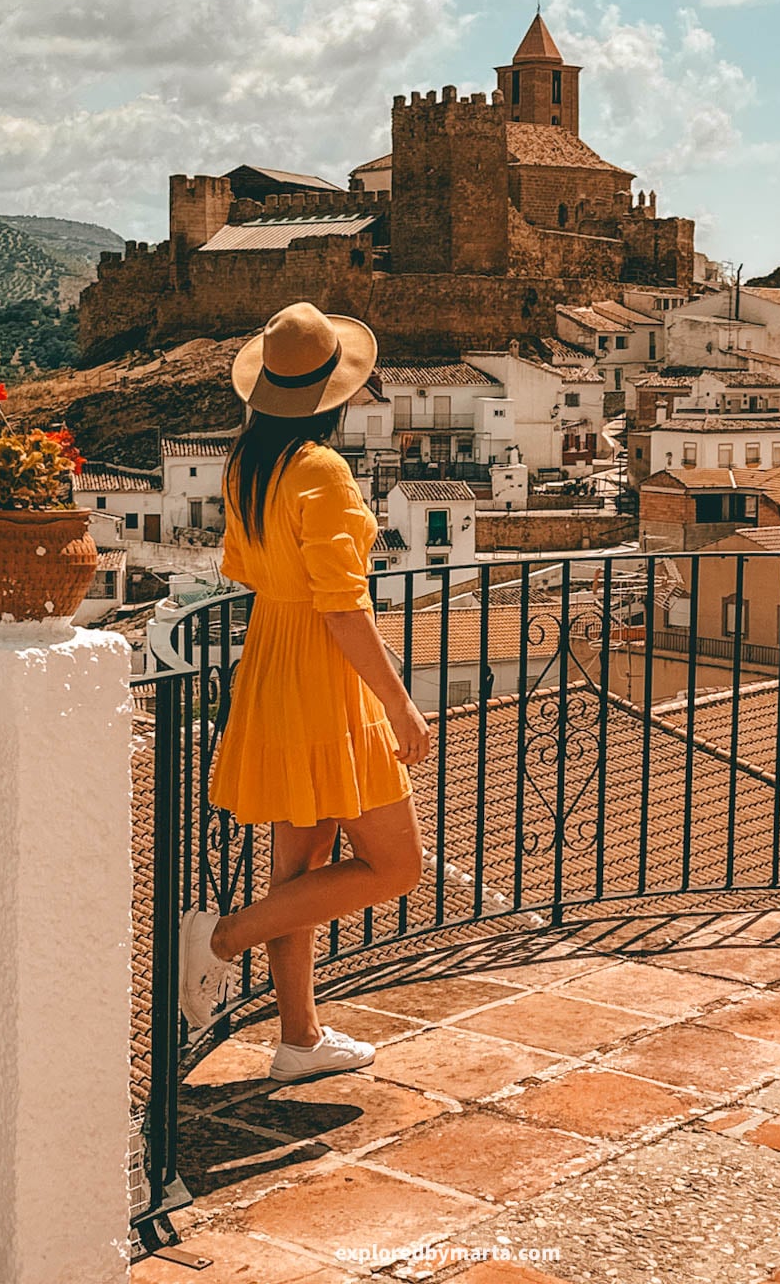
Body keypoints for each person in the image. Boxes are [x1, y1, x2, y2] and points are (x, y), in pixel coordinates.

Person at [179, 302, 430, 1081]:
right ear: (334, 390)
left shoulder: (245, 461)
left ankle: (299, 1039)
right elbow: (344, 605)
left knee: (303, 871)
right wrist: (398, 701)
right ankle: (220, 939)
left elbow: (251, 572)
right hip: (325, 675)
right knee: (397, 867)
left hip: (273, 663)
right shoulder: (321, 469)